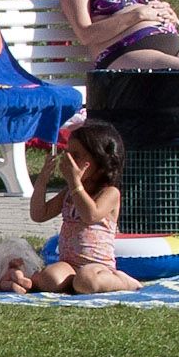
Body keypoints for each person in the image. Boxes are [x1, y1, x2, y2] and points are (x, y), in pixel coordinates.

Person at [25, 120, 139, 295]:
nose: (68, 160)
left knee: (87, 280)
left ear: (99, 165)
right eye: (67, 153)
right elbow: (39, 214)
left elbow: (90, 215)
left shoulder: (110, 193)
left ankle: (124, 281)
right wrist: (42, 181)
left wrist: (74, 182)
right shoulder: (69, 193)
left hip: (98, 267)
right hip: (70, 265)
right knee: (49, 279)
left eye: (76, 155)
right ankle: (75, 284)